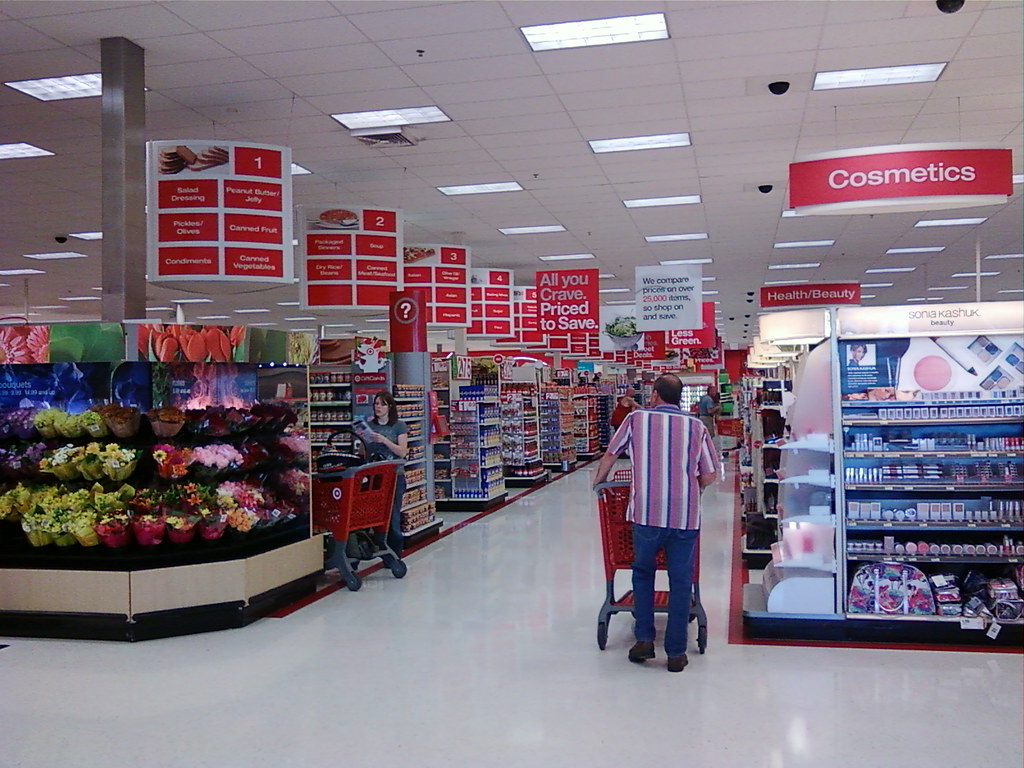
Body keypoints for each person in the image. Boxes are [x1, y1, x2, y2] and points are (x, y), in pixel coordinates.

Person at [592, 374, 719, 672]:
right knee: (680, 581)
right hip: (684, 518)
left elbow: (611, 454)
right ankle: (675, 653)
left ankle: (645, 640)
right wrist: (692, 487)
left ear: (655, 395)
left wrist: (598, 484)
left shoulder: (636, 420)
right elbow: (710, 474)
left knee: (644, 574)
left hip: (646, 515)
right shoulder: (697, 426)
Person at [357, 389, 408, 558]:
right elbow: (363, 452)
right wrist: (362, 439)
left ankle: (394, 555)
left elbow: (402, 452)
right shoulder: (370, 425)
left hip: (394, 476)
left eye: (382, 404)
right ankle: (369, 548)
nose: (378, 407)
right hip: (374, 478)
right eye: (376, 404)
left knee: (393, 516)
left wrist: (384, 440)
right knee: (369, 514)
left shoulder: (399, 426)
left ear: (390, 407)